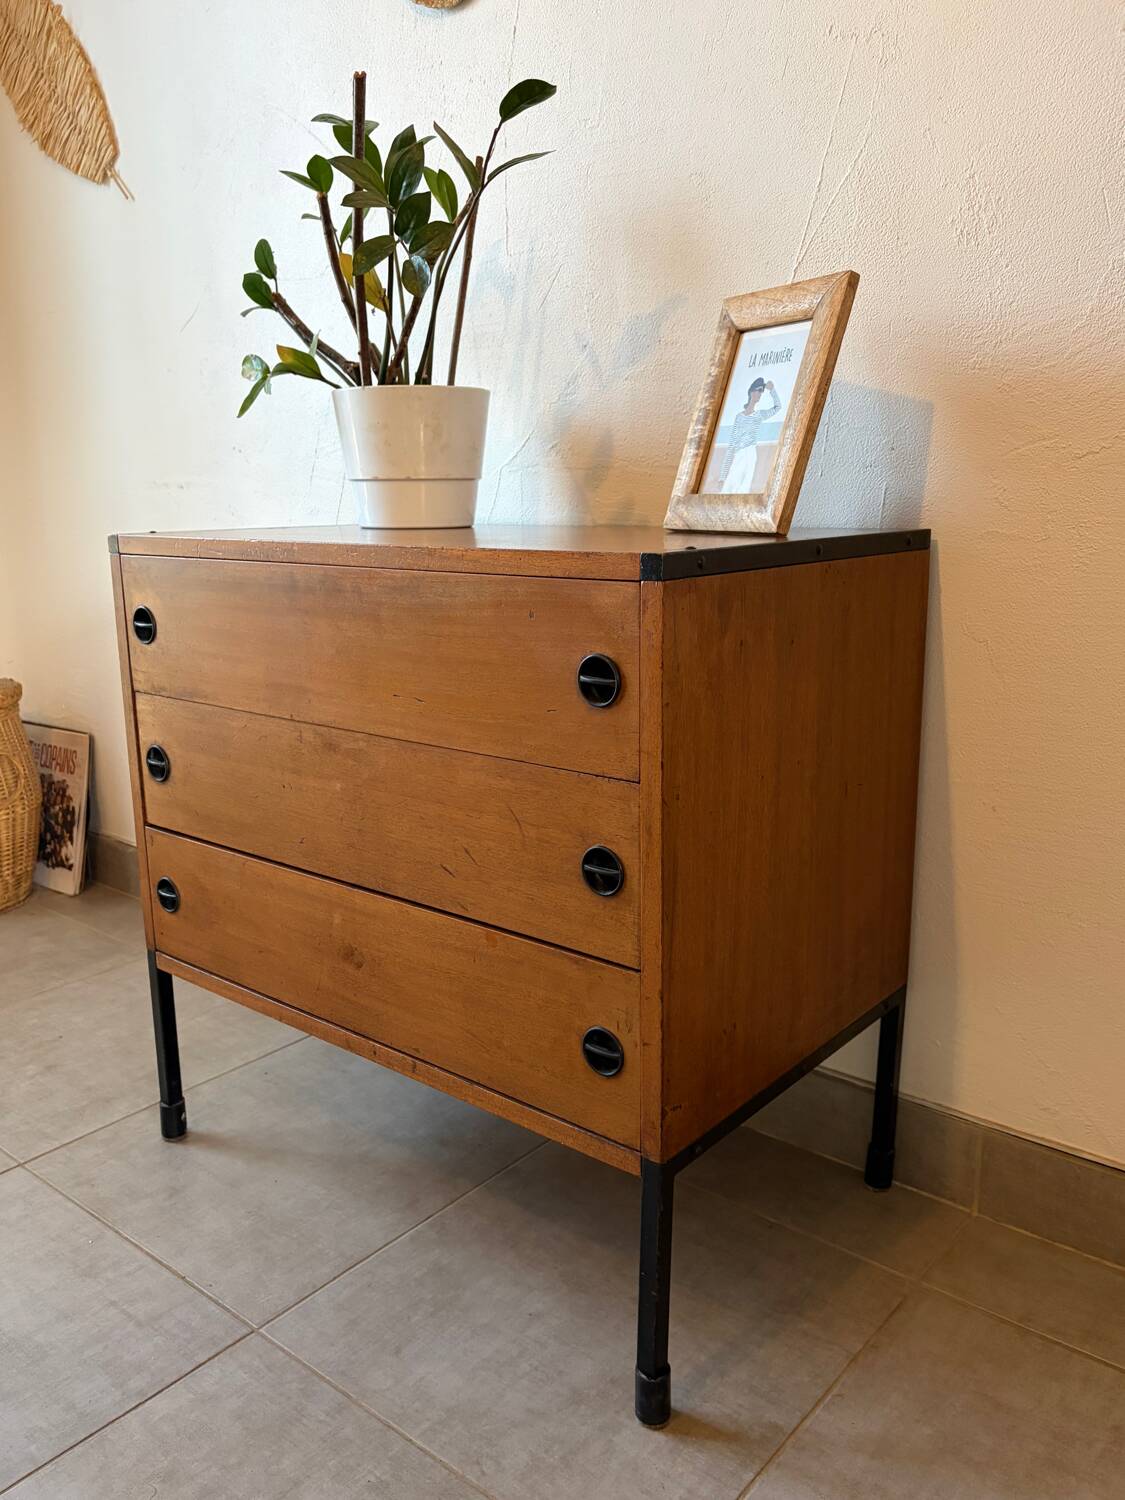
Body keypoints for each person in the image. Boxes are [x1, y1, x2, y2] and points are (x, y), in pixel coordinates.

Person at [720, 378, 781, 492]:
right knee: (728, 487)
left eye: (761, 392)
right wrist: (722, 476)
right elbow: (732, 444)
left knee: (743, 488)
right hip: (739, 454)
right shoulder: (739, 417)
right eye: (758, 390)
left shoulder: (759, 415)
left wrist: (772, 390)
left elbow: (778, 407)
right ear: (751, 392)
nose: (759, 394)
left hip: (751, 453)